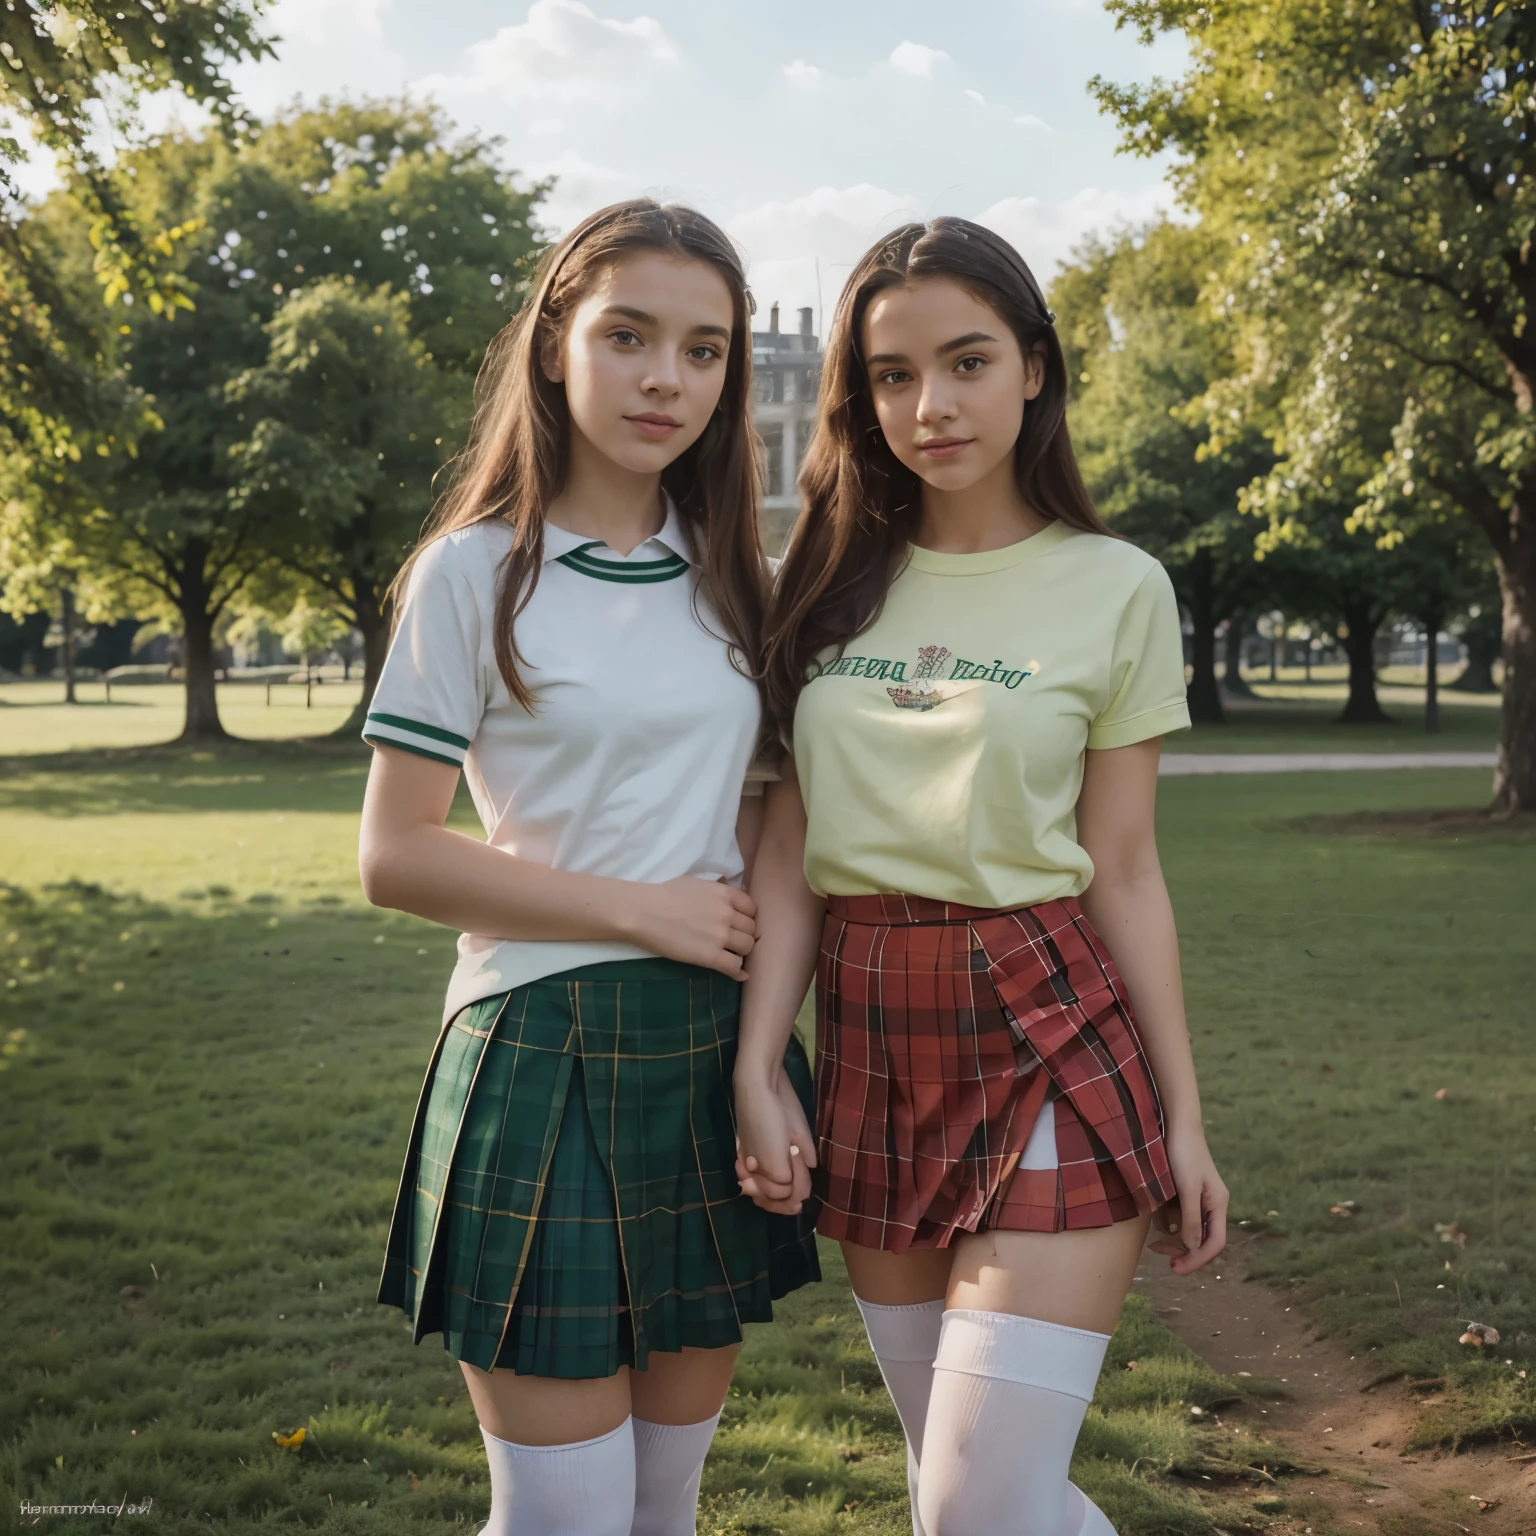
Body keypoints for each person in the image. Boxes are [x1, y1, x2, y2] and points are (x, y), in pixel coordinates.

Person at [733, 217, 1229, 1536]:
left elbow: (1124, 864)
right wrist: (756, 1055)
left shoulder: (1116, 586)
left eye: (964, 362)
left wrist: (1184, 1113)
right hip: (870, 1029)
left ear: (1035, 370)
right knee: (960, 1492)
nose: (929, 406)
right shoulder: (823, 583)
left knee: (969, 1505)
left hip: (1045, 1012)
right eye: (892, 376)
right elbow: (784, 852)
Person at [359, 198, 819, 1536]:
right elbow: (394, 855)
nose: (665, 378)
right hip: (536, 1048)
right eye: (628, 336)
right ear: (558, 341)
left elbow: (773, 844)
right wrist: (642, 912)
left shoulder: (750, 583)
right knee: (563, 1520)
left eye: (704, 349)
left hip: (710, 1055)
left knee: (665, 1515)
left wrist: (758, 1065)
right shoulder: (471, 573)